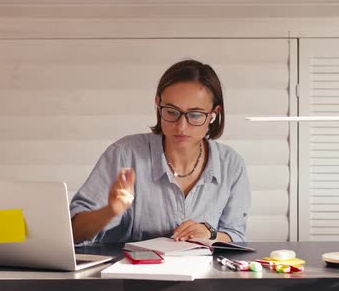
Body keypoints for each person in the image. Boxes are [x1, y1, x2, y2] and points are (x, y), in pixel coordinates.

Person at [70, 59, 251, 244]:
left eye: (195, 115)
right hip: (131, 271)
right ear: (158, 104)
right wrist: (110, 211)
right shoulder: (124, 154)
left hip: (202, 271)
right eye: (171, 112)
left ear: (214, 114)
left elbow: (235, 235)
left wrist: (210, 234)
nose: (181, 126)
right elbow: (73, 233)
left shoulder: (231, 164)